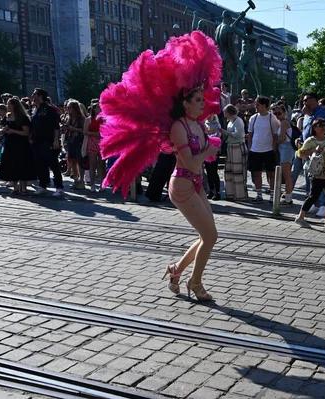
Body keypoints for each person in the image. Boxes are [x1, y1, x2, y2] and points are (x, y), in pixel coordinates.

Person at [99, 31, 223, 301]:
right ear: (185, 103)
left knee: (207, 236)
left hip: (196, 182)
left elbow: (200, 155)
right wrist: (209, 150)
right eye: (198, 99)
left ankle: (176, 270)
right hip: (182, 186)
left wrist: (210, 145)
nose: (204, 102)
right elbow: (190, 161)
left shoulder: (197, 123)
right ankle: (195, 282)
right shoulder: (179, 127)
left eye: (203, 98)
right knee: (210, 236)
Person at [294, 118, 325, 229]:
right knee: (313, 196)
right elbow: (300, 154)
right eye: (320, 125)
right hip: (317, 173)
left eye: (324, 125)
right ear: (314, 127)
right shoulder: (311, 140)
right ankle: (300, 217)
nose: (323, 127)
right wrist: (314, 150)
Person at [31, 88, 64, 196]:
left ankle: (59, 187)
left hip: (48, 141)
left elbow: (56, 126)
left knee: (53, 164)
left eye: (34, 94)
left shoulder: (49, 109)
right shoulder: (35, 109)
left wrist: (55, 140)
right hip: (37, 141)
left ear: (40, 96)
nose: (32, 96)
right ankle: (43, 185)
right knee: (40, 164)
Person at [0, 98, 36, 193]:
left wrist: (13, 131)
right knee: (11, 165)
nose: (7, 106)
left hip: (21, 144)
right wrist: (3, 130)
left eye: (8, 104)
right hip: (9, 144)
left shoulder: (22, 117)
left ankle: (23, 187)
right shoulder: (7, 116)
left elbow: (26, 132)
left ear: (14, 105)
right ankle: (15, 187)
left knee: (22, 164)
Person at [247, 96, 279, 203]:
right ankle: (259, 195)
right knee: (256, 173)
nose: (255, 106)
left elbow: (275, 135)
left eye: (258, 104)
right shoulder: (253, 118)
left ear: (264, 106)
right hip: (255, 150)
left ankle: (272, 195)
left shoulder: (272, 118)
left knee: (271, 174)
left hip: (268, 150)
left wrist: (273, 149)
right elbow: (250, 134)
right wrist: (250, 147)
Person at [219, 104, 247, 201]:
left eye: (225, 113)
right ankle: (230, 194)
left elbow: (237, 134)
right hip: (230, 146)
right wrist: (224, 134)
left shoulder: (238, 121)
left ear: (230, 112)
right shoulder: (229, 122)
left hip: (238, 146)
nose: (224, 115)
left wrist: (227, 133)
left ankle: (240, 195)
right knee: (229, 171)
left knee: (237, 171)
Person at [272, 102, 294, 205]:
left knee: (287, 174)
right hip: (283, 147)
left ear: (284, 112)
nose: (277, 115)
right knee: (284, 173)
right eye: (275, 113)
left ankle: (288, 197)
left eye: (279, 113)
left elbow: (282, 138)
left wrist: (274, 143)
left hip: (286, 147)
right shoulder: (280, 123)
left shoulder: (284, 122)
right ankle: (287, 194)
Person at [64, 100, 86, 190]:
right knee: (72, 160)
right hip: (70, 140)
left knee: (80, 160)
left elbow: (83, 130)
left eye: (69, 107)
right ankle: (75, 179)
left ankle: (82, 180)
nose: (67, 109)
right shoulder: (68, 117)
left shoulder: (81, 118)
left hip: (78, 140)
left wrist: (73, 128)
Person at [83, 102, 105, 192]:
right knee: (93, 164)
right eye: (96, 107)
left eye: (100, 107)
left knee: (102, 164)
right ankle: (92, 184)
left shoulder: (104, 119)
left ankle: (102, 184)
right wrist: (95, 134)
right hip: (92, 142)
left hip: (102, 142)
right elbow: (85, 131)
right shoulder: (89, 119)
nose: (99, 109)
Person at [204, 114, 222, 200]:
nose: (208, 116)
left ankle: (217, 192)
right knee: (208, 171)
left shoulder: (216, 124)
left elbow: (217, 136)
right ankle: (210, 190)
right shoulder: (204, 124)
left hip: (214, 150)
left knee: (214, 171)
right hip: (206, 150)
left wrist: (208, 138)